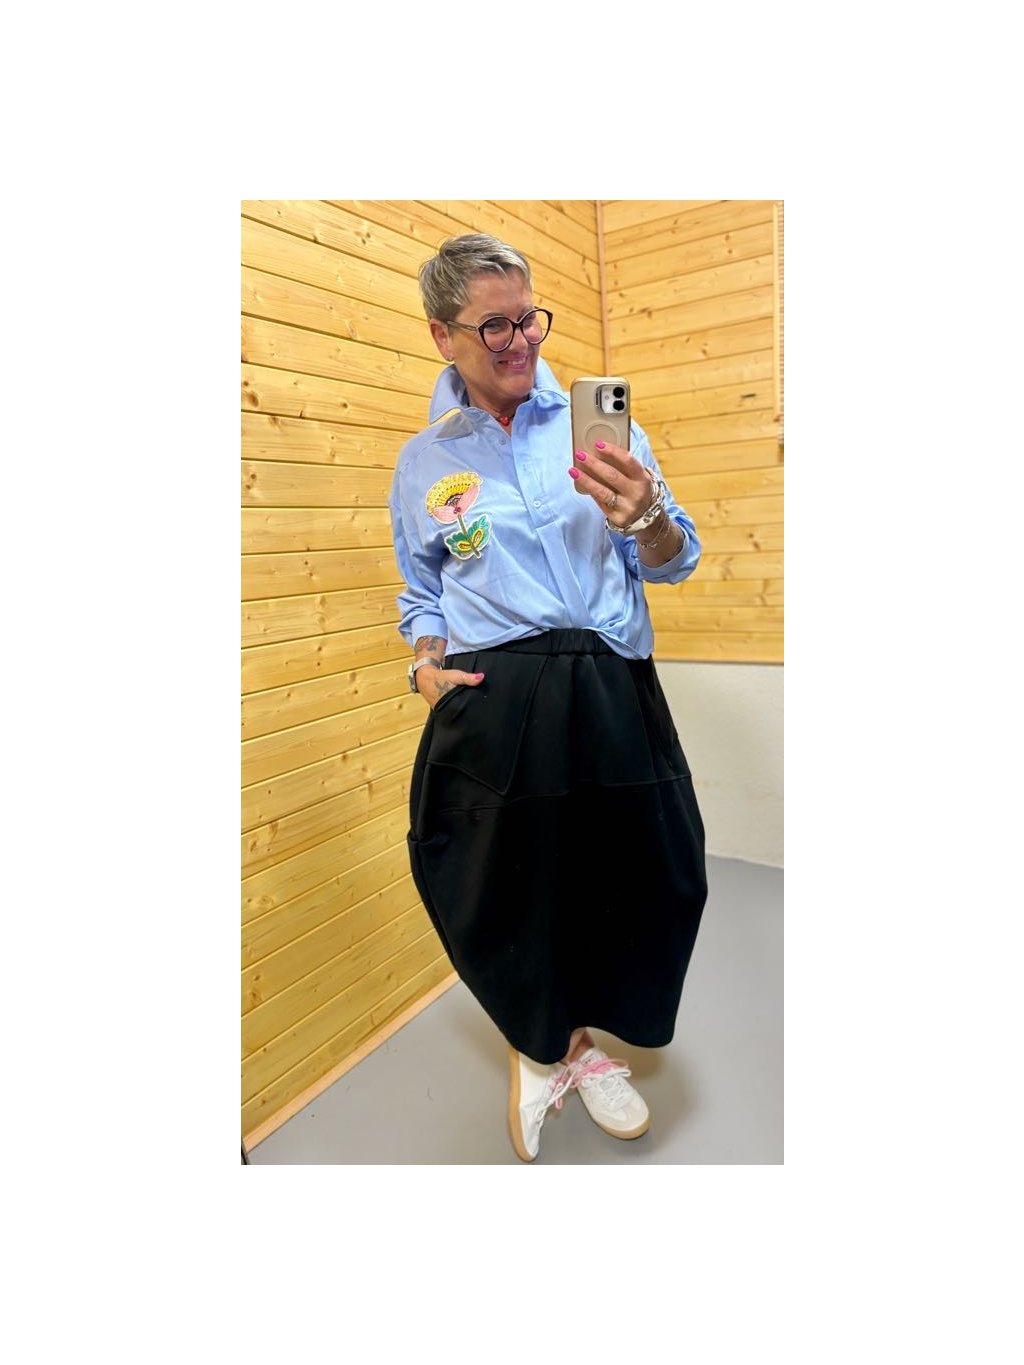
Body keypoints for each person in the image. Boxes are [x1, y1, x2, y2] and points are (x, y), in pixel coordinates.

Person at [388, 233, 707, 1162]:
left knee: (648, 872)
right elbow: (422, 591)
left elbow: (677, 558)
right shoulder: (424, 462)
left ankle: (588, 1035)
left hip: (610, 683)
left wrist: (646, 517)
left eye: (529, 317)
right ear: (443, 335)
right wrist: (424, 663)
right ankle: (551, 1048)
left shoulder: (598, 427)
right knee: (512, 886)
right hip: (497, 699)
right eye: (494, 325)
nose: (521, 339)